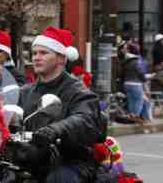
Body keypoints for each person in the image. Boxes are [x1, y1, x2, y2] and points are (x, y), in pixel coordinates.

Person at [17, 26, 105, 183]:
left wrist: (56, 129)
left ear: (61, 59)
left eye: (43, 53)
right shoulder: (24, 92)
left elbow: (85, 118)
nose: (36, 57)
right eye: (35, 53)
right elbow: (8, 115)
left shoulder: (78, 91)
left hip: (67, 159)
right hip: (30, 157)